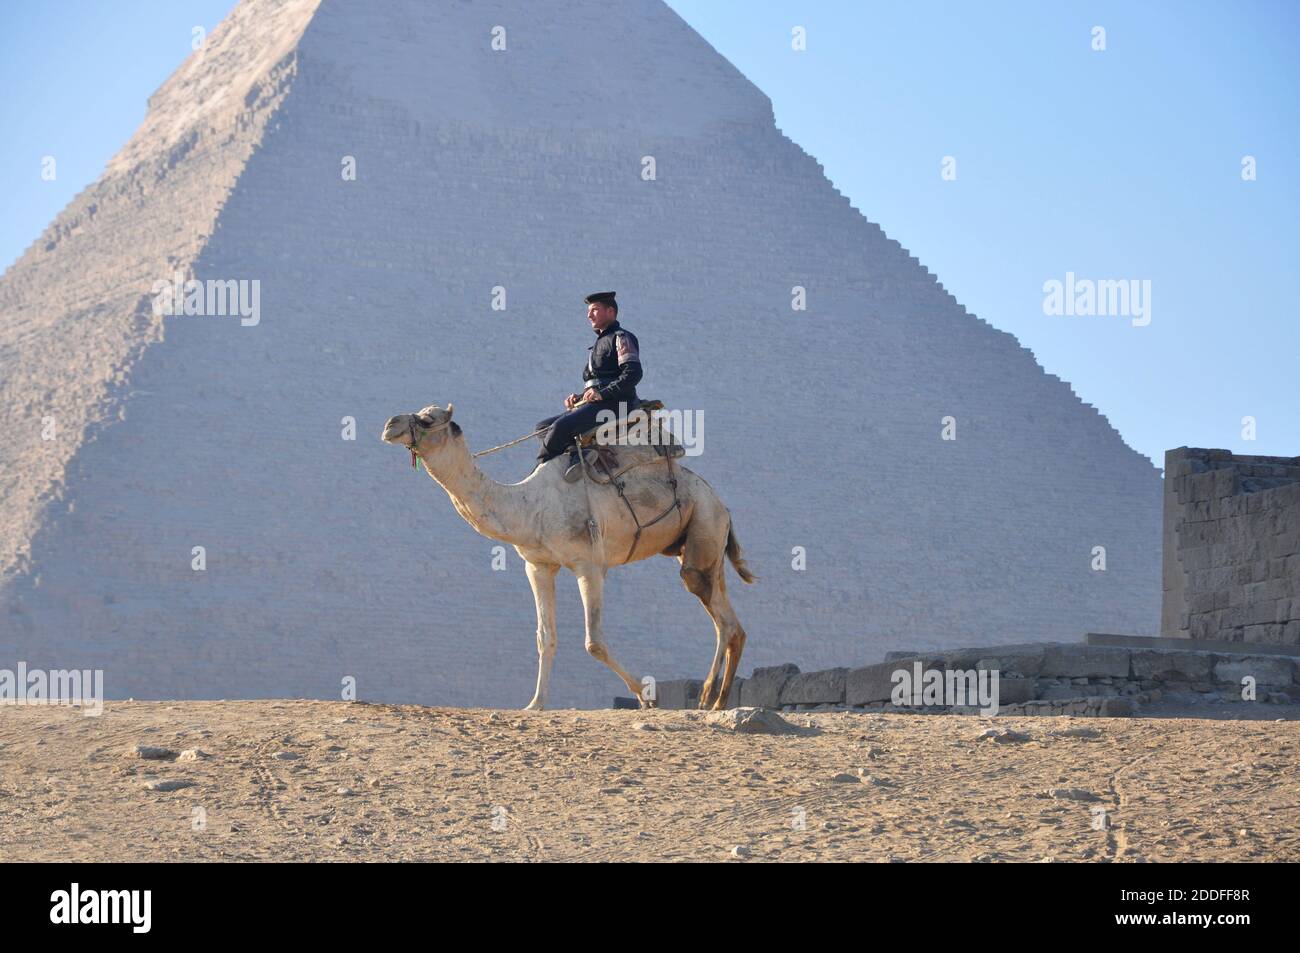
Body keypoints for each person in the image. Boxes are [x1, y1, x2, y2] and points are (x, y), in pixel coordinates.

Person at [535, 291, 642, 480]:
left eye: (594, 310)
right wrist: (579, 397)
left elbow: (633, 374)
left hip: (617, 404)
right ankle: (581, 454)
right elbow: (597, 382)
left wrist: (603, 393)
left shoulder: (621, 338)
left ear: (610, 312)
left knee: (560, 427)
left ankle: (542, 476)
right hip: (599, 403)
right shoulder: (599, 344)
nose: (589, 315)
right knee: (543, 427)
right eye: (588, 311)